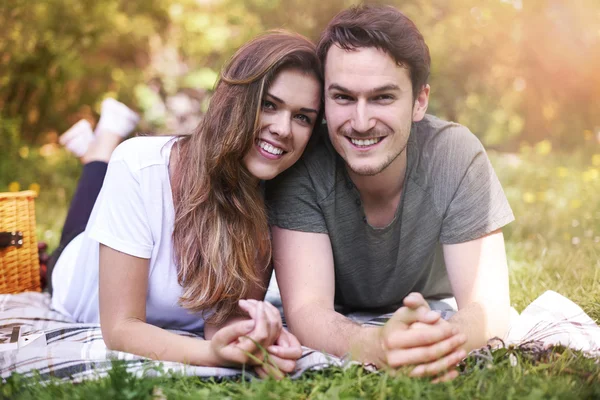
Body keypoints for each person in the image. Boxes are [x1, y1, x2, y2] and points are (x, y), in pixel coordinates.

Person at [48, 30, 323, 378]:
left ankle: (95, 146)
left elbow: (224, 322)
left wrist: (252, 341)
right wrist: (214, 355)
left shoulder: (279, 198)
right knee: (83, 213)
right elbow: (119, 329)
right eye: (269, 104)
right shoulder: (139, 165)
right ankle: (102, 142)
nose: (284, 129)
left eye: (303, 117)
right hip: (74, 269)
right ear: (236, 100)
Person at [266, 5, 514, 382]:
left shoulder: (455, 155)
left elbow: (489, 307)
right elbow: (308, 311)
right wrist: (379, 346)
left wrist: (438, 344)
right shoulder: (303, 163)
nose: (361, 122)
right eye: (343, 98)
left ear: (419, 101)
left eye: (382, 97)